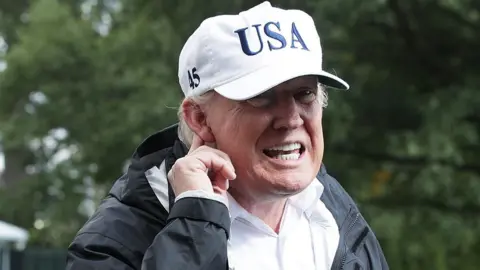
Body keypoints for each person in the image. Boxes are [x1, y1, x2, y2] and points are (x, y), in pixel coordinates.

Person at [66, 2, 389, 270]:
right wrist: (197, 218)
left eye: (304, 94)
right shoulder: (115, 241)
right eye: (261, 97)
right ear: (200, 118)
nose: (290, 118)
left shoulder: (329, 205)